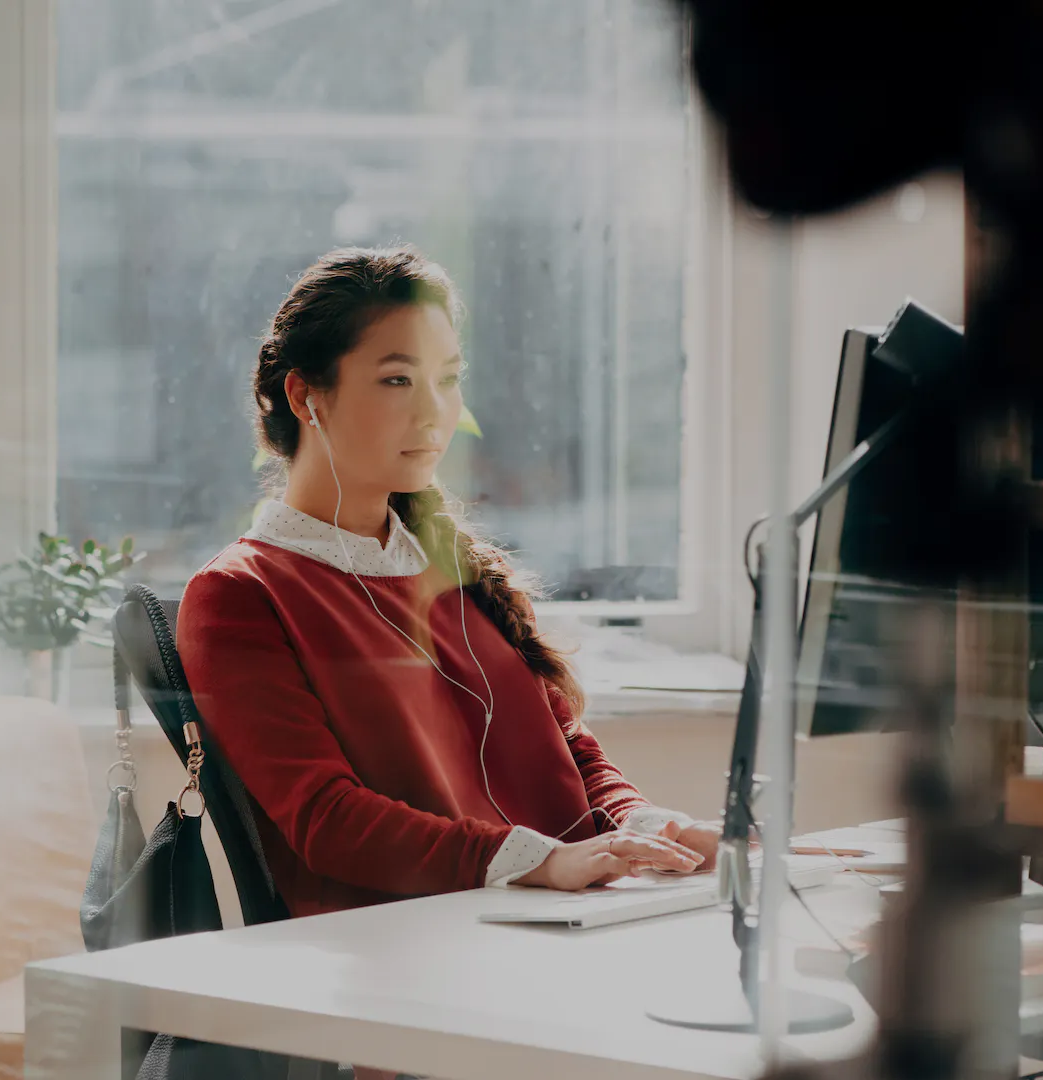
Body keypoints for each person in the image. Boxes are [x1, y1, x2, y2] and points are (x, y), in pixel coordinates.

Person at [177, 245, 720, 922]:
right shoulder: (241, 593)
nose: (435, 413)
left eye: (449, 378)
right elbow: (326, 818)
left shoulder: (450, 569)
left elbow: (569, 752)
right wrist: (542, 861)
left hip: (559, 920)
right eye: (399, 380)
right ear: (304, 394)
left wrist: (650, 826)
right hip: (412, 948)